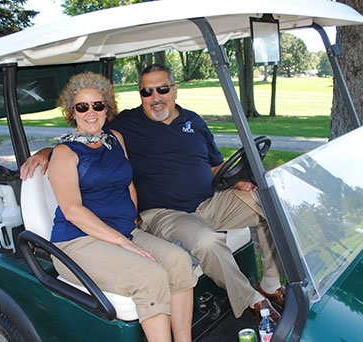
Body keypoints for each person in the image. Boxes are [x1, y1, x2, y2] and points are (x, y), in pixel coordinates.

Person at [21, 64, 284, 322]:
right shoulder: (127, 124)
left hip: (210, 202)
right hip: (166, 214)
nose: (155, 98)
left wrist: (236, 181)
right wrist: (47, 152)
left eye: (162, 89)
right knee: (207, 241)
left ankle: (272, 283)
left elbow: (215, 166)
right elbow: (86, 131)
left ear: (175, 90)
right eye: (147, 92)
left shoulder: (194, 120)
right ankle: (253, 301)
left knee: (269, 202)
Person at [44, 72, 223, 342]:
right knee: (151, 276)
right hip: (77, 242)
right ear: (71, 112)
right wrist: (123, 241)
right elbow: (73, 211)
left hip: (124, 230)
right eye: (82, 107)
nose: (91, 111)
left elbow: (128, 183)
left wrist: (133, 223)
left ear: (107, 106)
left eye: (98, 104)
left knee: (181, 263)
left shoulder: (116, 140)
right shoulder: (64, 154)